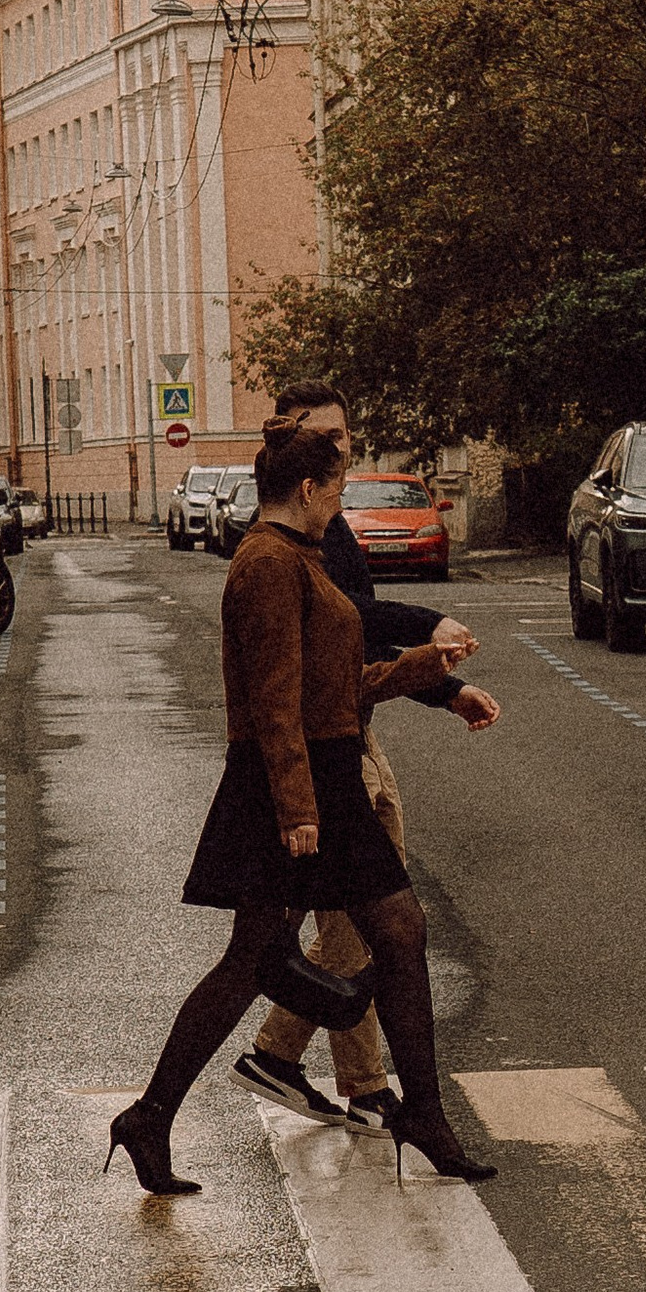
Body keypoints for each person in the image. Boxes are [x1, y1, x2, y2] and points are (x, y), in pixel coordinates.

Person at [107, 419, 497, 1196]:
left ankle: (152, 1118)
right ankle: (418, 1112)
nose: (339, 506)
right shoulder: (265, 564)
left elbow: (336, 688)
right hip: (294, 783)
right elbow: (274, 702)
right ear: (310, 489)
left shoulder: (299, 559)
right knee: (382, 932)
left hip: (316, 773)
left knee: (272, 954)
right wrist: (295, 810)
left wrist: (428, 673)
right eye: (338, 491)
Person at [233, 377, 498, 1129]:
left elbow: (355, 646)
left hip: (352, 729)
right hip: (326, 749)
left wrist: (445, 688)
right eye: (330, 440)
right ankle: (319, 1072)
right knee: (362, 920)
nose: (343, 451)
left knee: (365, 917)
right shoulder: (286, 546)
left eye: (347, 436)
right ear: (296, 451)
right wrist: (433, 625)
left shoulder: (326, 526)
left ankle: (340, 1075)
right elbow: (335, 646)